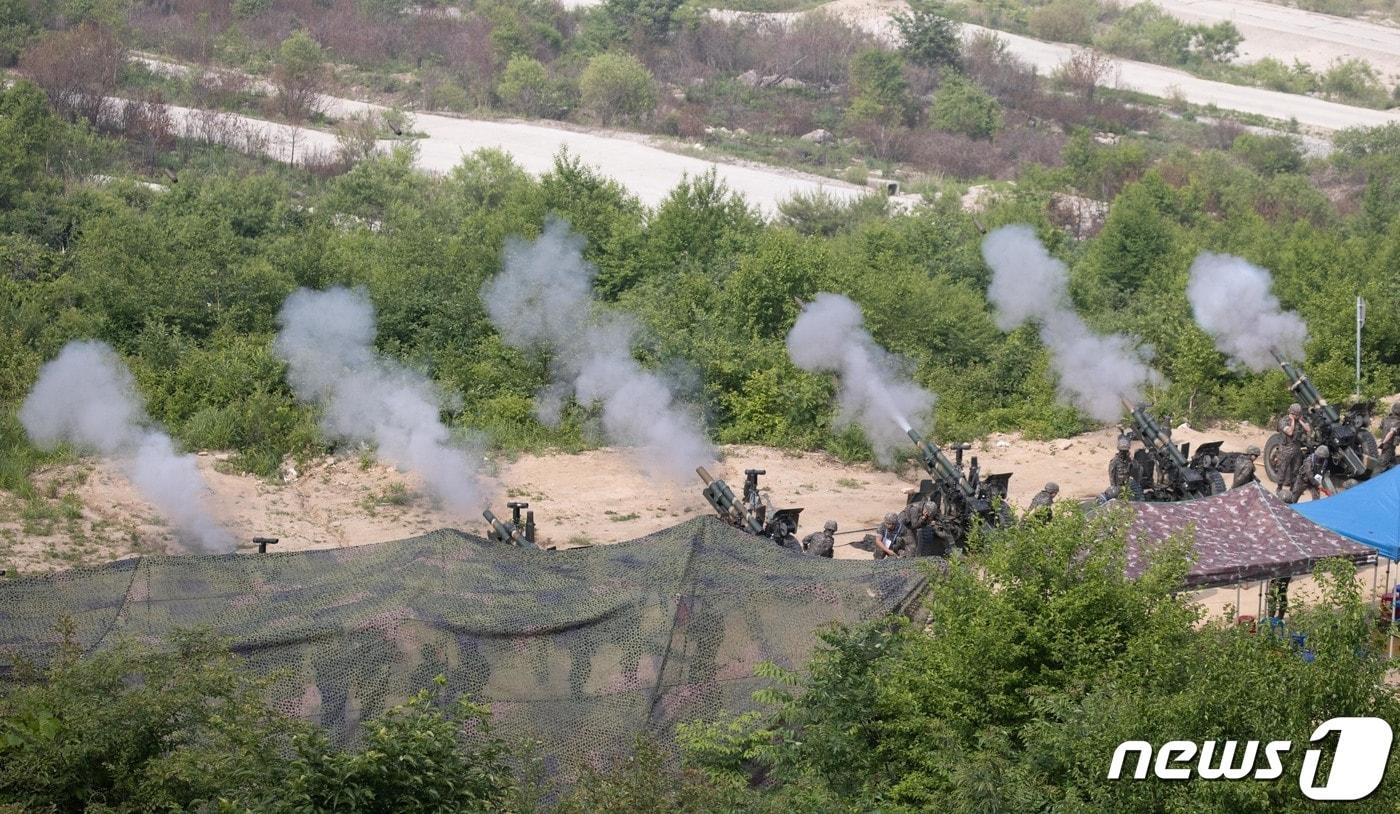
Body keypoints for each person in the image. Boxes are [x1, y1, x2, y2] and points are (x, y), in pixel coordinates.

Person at [1276, 403, 1311, 497]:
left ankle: (1293, 488)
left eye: (1298, 414)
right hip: (1285, 448)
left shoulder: (1300, 420)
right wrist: (1292, 421)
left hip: (1296, 448)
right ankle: (1279, 488)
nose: (1297, 416)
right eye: (1296, 414)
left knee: (1295, 470)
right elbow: (1290, 432)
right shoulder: (1284, 421)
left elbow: (1308, 429)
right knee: (1283, 469)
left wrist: (1301, 421)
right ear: (1291, 413)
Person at [1101, 435, 1136, 502]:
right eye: (1123, 451)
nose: (1124, 453)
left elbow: (1133, 471)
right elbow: (1112, 475)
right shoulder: (1114, 461)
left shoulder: (1129, 461)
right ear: (1119, 451)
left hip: (1127, 486)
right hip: (1118, 487)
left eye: (1126, 451)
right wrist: (1114, 487)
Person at [1379, 402, 1400, 470]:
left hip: (1387, 446)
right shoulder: (1398, 422)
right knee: (1383, 466)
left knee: (1392, 460)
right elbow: (1390, 433)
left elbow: (1381, 428)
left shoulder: (1385, 419)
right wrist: (1383, 443)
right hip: (1389, 445)